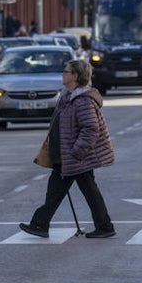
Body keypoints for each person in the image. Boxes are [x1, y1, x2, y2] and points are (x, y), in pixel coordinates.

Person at [20, 58, 116, 239]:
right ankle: (42, 224)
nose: (62, 74)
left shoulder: (82, 101)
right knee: (64, 191)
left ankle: (42, 224)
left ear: (76, 76)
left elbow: (91, 129)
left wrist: (76, 152)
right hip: (65, 156)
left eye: (66, 71)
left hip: (76, 157)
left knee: (76, 191)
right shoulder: (67, 97)